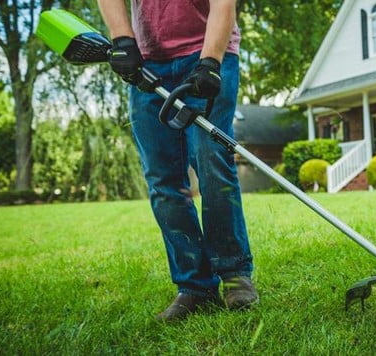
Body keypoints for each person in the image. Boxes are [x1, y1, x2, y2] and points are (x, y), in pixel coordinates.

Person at [96, 0, 258, 321]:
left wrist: (210, 62)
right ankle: (194, 286)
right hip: (148, 63)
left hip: (208, 51)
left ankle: (235, 275)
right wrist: (122, 39)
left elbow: (223, 4)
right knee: (162, 179)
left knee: (212, 165)